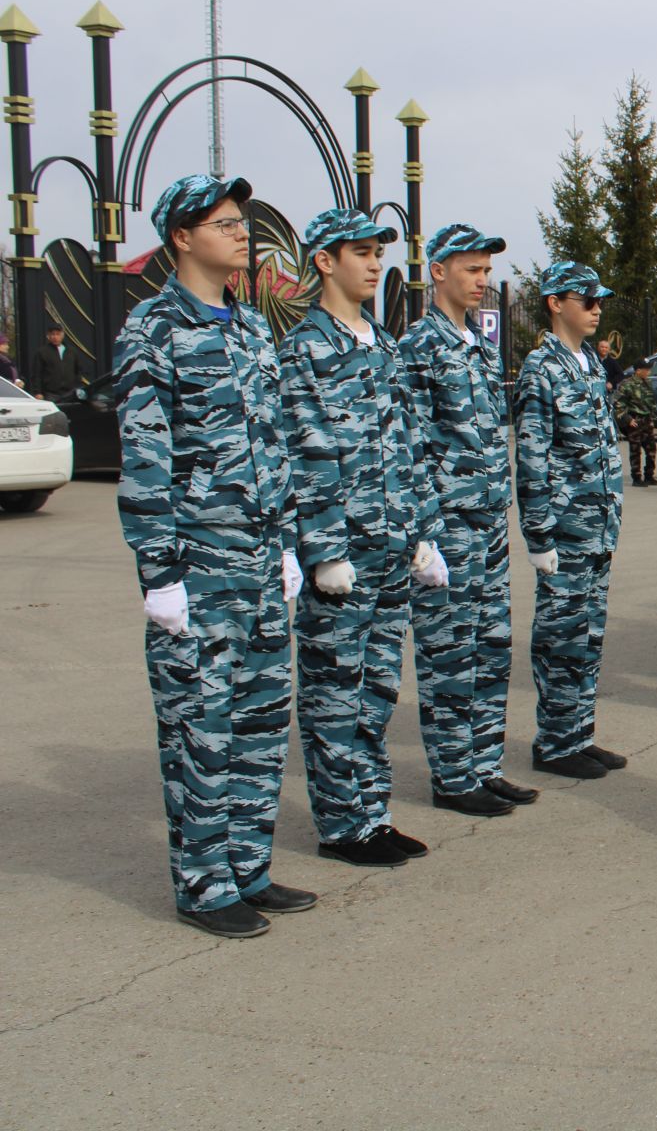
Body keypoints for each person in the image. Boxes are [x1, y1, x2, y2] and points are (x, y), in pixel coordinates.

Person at [115, 173, 311, 937]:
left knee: (261, 724)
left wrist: (289, 542)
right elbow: (145, 461)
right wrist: (158, 575)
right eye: (222, 222)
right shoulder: (153, 330)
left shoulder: (251, 328)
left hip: (261, 567)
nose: (240, 231)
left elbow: (278, 446)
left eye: (241, 221)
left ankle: (248, 869)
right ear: (181, 239)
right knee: (203, 730)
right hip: (198, 571)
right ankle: (203, 885)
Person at [282, 209, 452, 867]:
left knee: (377, 691)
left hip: (389, 551)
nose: (376, 262)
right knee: (334, 691)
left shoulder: (380, 345)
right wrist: (322, 550)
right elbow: (305, 453)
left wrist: (423, 532)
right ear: (325, 260)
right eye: (360, 251)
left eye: (379, 250)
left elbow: (411, 445)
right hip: (344, 556)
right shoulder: (306, 349)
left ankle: (373, 812)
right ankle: (342, 825)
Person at [398, 223, 535, 817]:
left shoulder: (478, 345)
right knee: (449, 651)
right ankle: (454, 776)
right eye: (473, 270)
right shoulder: (419, 347)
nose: (483, 281)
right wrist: (423, 532)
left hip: (488, 522)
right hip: (448, 526)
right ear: (439, 272)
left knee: (491, 646)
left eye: (486, 271)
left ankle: (483, 762)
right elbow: (407, 446)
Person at [514, 261, 627, 778]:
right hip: (565, 524)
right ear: (556, 303)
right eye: (586, 300)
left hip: (597, 524)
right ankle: (555, 742)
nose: (596, 309)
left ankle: (578, 733)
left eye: (599, 300)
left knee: (589, 634)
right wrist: (538, 533)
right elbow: (533, 456)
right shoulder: (542, 369)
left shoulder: (588, 364)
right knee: (561, 638)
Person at [614, 358, 657, 486]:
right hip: (635, 420)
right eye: (646, 369)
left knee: (651, 449)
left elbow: (650, 402)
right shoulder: (627, 384)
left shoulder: (648, 382)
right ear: (638, 371)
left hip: (647, 420)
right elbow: (618, 404)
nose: (649, 372)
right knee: (635, 451)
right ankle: (636, 478)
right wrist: (627, 419)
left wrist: (652, 417)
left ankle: (649, 476)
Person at [31, 323, 84, 401]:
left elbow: (78, 371)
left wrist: (78, 387)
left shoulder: (71, 351)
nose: (55, 337)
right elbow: (37, 373)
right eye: (52, 334)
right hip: (51, 393)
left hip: (70, 392)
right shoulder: (42, 352)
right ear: (48, 336)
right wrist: (38, 392)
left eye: (58, 334)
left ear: (62, 335)